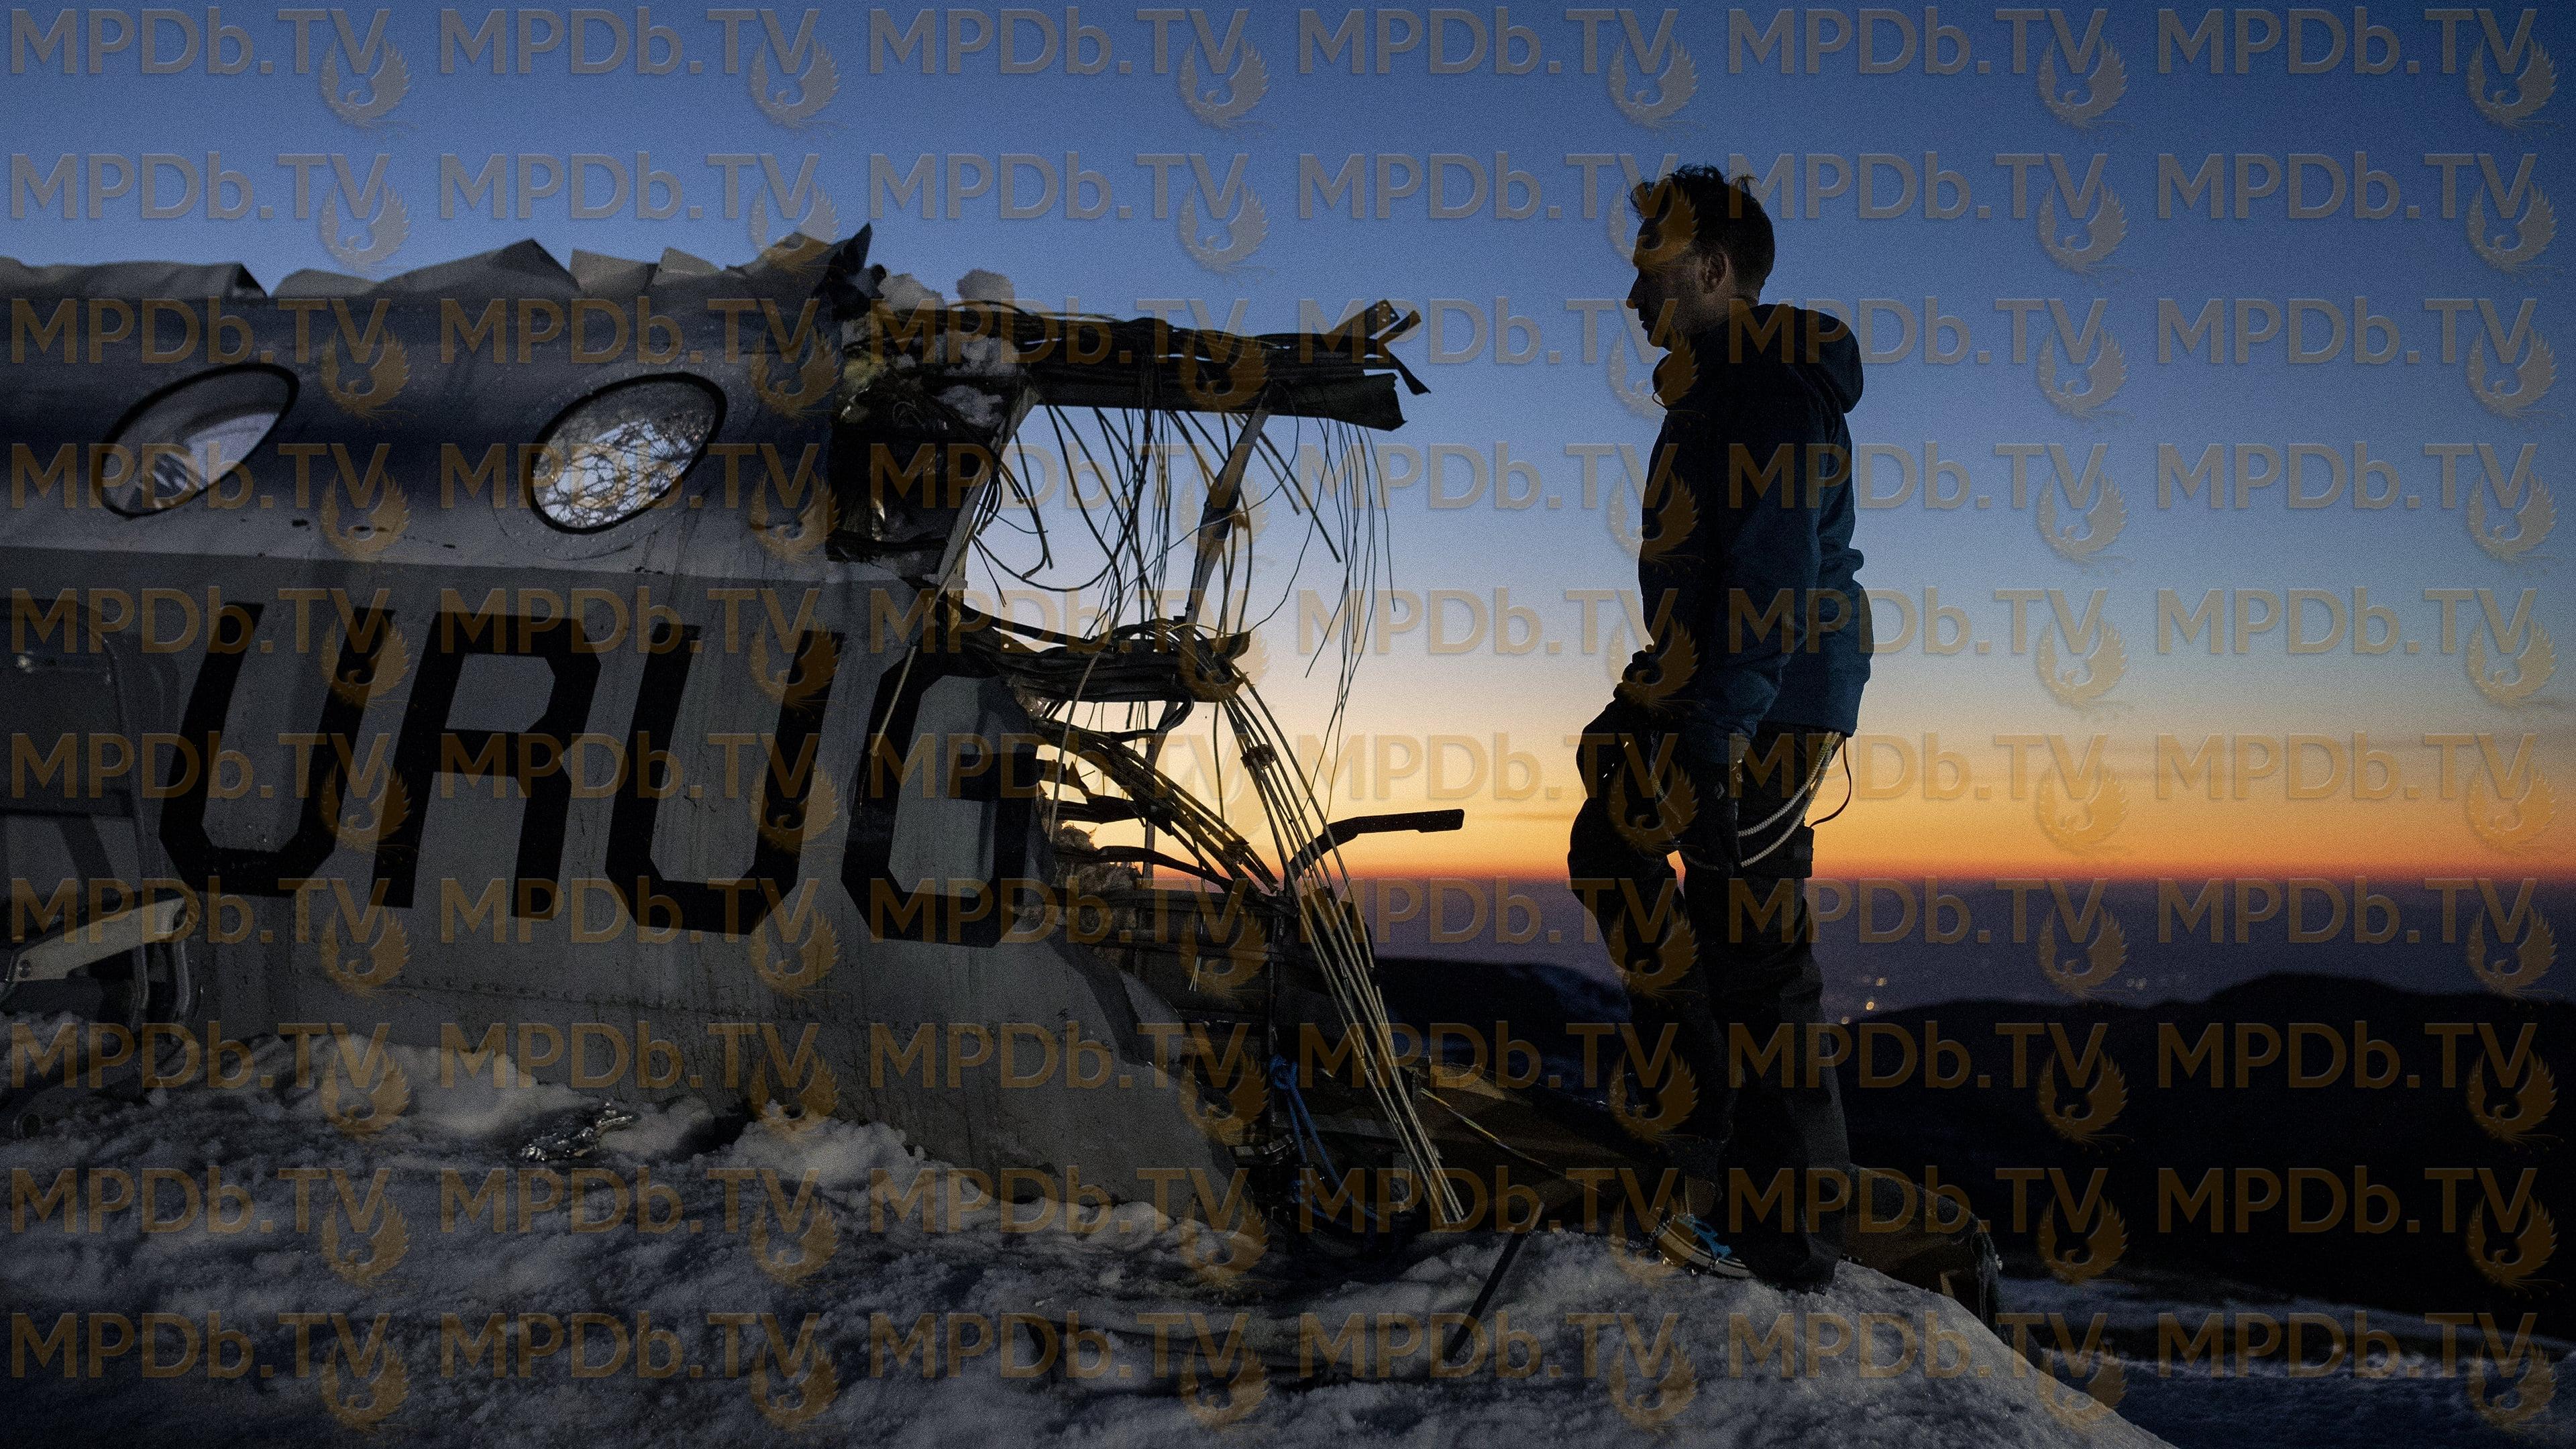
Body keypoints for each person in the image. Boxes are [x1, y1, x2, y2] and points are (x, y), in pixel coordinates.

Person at [1566, 165, 1872, 1291]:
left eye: (1648, 267)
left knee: (1754, 943)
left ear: (1709, 268)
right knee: (1615, 847)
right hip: (1722, 686)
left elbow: (1773, 580)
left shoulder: (1770, 391)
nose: (1630, 294)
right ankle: (1697, 1130)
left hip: (1770, 702)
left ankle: (1788, 1243)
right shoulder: (1720, 389)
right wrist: (1656, 694)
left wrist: (1717, 732)